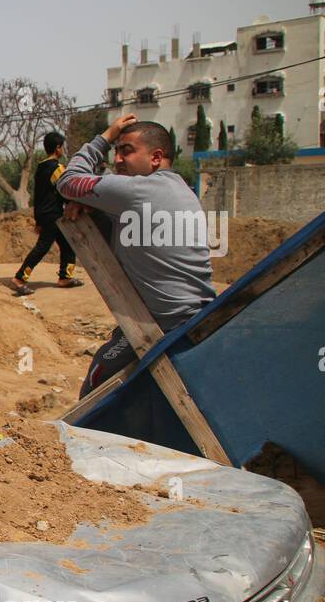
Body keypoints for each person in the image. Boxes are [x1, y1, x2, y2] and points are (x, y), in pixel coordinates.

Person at [57, 114, 216, 398]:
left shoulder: (139, 190)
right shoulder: (178, 190)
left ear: (156, 157)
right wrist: (90, 205)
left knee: (98, 382)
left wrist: (105, 136)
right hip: (193, 318)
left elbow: (68, 180)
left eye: (126, 150)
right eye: (116, 150)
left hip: (166, 328)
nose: (118, 159)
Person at [7, 131, 83, 296]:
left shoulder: (40, 167)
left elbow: (40, 194)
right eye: (62, 147)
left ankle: (65, 278)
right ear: (57, 148)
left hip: (43, 213)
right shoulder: (56, 168)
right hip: (53, 214)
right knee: (42, 247)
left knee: (67, 244)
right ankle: (19, 278)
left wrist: (38, 219)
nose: (63, 150)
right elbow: (66, 189)